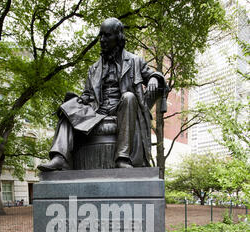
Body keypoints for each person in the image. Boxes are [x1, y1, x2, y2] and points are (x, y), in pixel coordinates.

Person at [38, 17, 167, 171]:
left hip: (123, 109)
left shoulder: (135, 61)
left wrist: (153, 78)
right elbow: (87, 95)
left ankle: (122, 158)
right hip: (97, 111)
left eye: (107, 35)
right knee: (68, 107)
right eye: (100, 36)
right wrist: (75, 102)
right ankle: (60, 157)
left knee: (129, 96)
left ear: (118, 37)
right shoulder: (94, 68)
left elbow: (155, 75)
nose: (102, 40)